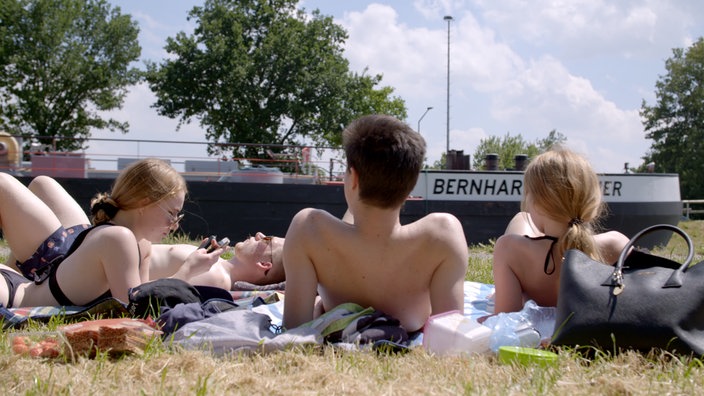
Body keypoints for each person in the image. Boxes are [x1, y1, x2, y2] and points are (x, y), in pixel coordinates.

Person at [282, 114, 469, 332]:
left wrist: (316, 311)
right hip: (411, 322)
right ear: (411, 183)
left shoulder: (308, 228)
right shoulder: (443, 234)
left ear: (353, 178)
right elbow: (451, 331)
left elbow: (295, 326)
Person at [0, 158, 223, 308]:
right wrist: (187, 271)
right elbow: (132, 310)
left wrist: (187, 271)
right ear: (145, 203)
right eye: (172, 214)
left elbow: (144, 302)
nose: (174, 225)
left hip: (28, 283)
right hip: (16, 296)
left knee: (40, 183)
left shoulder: (139, 245)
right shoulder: (119, 239)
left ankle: (15, 264)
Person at [491, 147, 630, 314]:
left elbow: (505, 316)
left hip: (532, 279)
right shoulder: (617, 243)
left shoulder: (509, 249)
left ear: (536, 201)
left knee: (521, 218)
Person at [148, 232, 285, 289]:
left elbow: (153, 292)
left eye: (267, 240)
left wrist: (189, 267)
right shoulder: (217, 268)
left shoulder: (216, 277)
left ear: (264, 265)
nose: (259, 234)